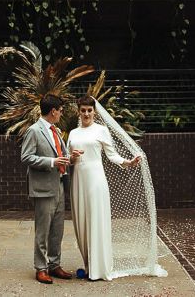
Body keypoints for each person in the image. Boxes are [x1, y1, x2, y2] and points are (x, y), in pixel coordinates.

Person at [67, 95, 167, 281]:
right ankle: (88, 265)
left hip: (96, 181)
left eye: (90, 110)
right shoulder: (73, 133)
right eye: (83, 110)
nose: (86, 113)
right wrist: (72, 157)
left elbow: (112, 155)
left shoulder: (101, 130)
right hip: (78, 181)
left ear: (94, 112)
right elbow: (68, 159)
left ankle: (99, 269)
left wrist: (128, 162)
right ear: (78, 112)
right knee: (81, 224)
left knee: (96, 222)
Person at [20, 93, 74, 285]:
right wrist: (52, 161)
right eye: (60, 111)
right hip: (43, 188)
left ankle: (54, 265)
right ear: (53, 111)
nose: (61, 114)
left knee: (57, 230)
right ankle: (41, 269)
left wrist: (71, 157)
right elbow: (26, 157)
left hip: (59, 185)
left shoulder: (55, 130)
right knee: (42, 231)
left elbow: (61, 154)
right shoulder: (34, 131)